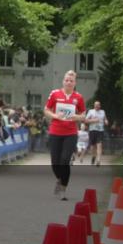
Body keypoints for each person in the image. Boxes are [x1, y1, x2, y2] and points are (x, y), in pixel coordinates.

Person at [44, 69, 86, 200]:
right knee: (55, 163)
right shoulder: (55, 94)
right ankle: (60, 179)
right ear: (63, 81)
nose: (69, 82)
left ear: (75, 83)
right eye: (67, 80)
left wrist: (77, 117)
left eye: (71, 81)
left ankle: (63, 189)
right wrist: (55, 115)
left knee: (64, 161)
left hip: (70, 133)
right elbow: (46, 110)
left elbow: (83, 114)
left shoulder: (78, 97)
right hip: (55, 131)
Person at [86, 100, 108, 166]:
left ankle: (98, 160)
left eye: (97, 105)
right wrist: (93, 120)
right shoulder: (91, 111)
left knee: (99, 145)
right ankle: (93, 156)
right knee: (92, 147)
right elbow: (86, 120)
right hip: (92, 130)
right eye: (95, 105)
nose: (96, 106)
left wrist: (106, 121)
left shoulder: (103, 111)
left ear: (99, 106)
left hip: (100, 130)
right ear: (94, 105)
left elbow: (105, 118)